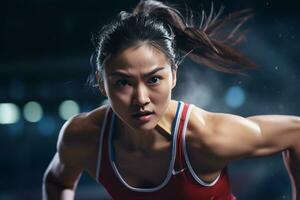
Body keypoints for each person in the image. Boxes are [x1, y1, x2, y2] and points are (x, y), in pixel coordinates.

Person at [42, 0, 300, 199]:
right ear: (102, 83)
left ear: (174, 76)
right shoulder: (83, 136)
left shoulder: (206, 138)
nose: (140, 99)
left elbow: (296, 133)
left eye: (154, 79)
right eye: (123, 82)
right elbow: (57, 181)